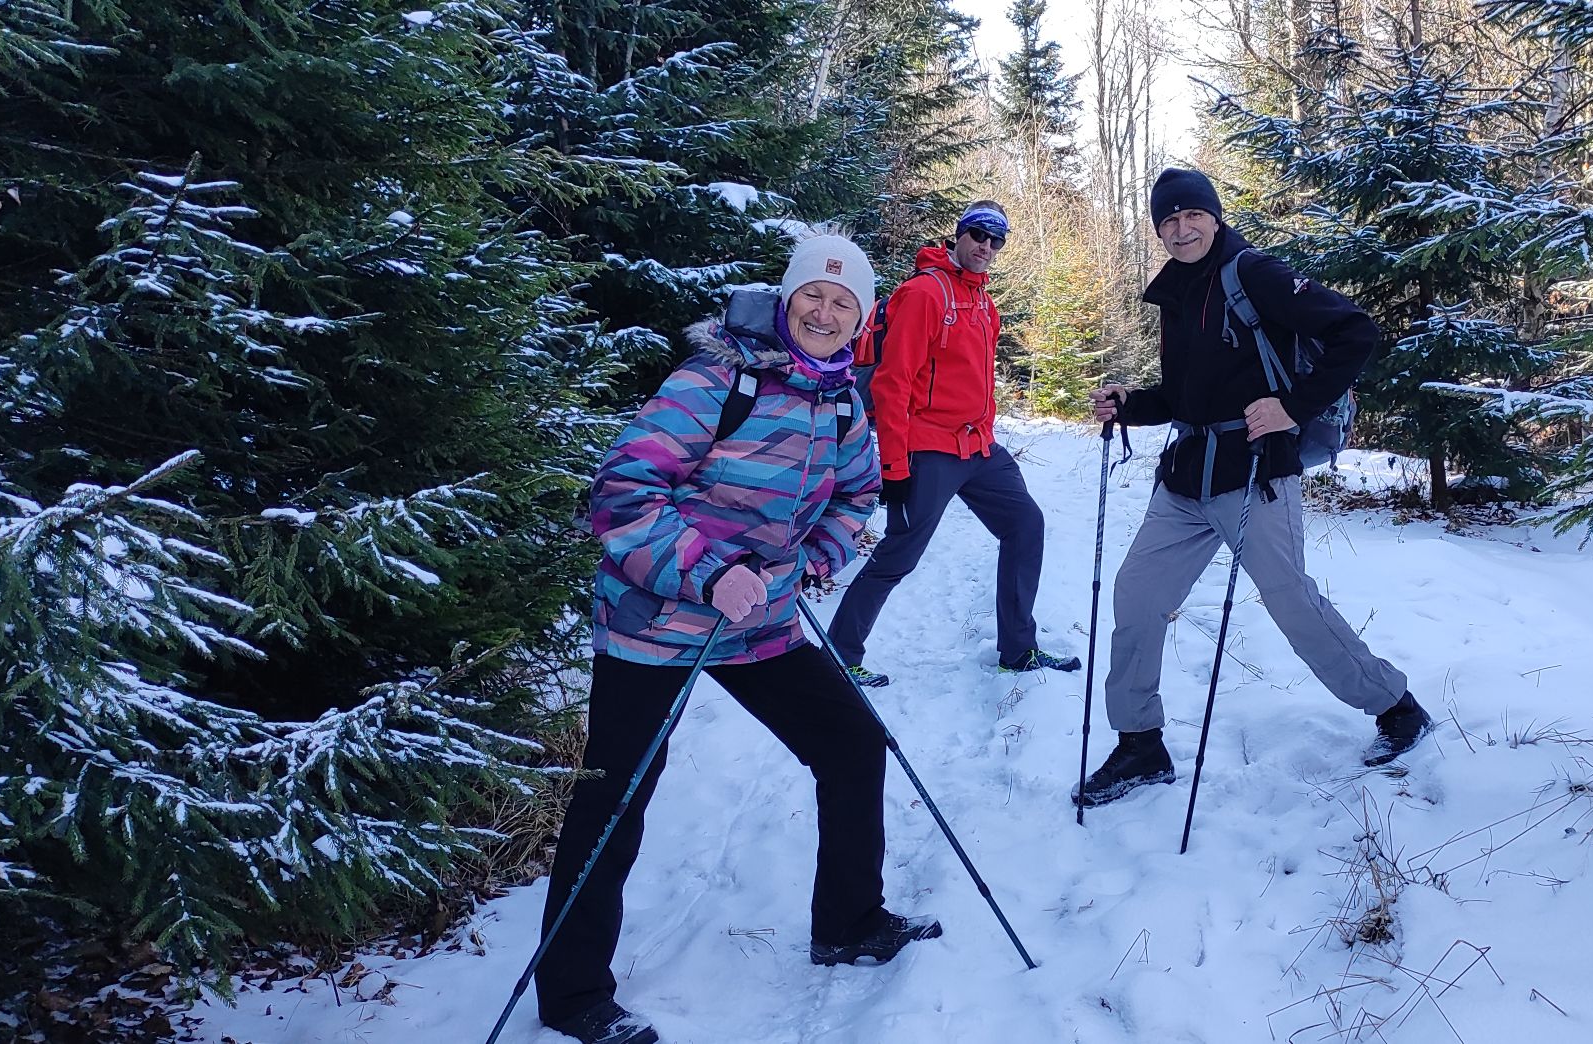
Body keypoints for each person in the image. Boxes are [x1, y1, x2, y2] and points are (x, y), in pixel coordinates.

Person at [537, 235, 940, 1044]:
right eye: (813, 295)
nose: (825, 312)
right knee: (617, 793)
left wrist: (816, 559)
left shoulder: (842, 400)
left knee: (852, 741)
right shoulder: (718, 379)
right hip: (655, 620)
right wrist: (711, 571)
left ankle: (850, 923)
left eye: (844, 303)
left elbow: (858, 493)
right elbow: (620, 492)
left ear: (861, 320)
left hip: (759, 623)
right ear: (787, 299)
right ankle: (572, 994)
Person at [1074, 169, 1432, 809]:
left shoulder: (1254, 273)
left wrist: (1292, 407)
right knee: (1137, 595)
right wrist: (1132, 404)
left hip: (1255, 474)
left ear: (1214, 218)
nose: (1182, 229)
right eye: (1168, 220)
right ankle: (1140, 743)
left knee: (1291, 600)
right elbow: (1186, 396)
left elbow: (1356, 331)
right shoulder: (1177, 291)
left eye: (1193, 215)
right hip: (1187, 477)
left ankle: (1396, 707)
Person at [826, 201, 1080, 687]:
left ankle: (1017, 650)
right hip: (929, 449)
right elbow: (892, 384)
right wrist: (894, 466)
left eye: (996, 240)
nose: (986, 246)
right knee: (899, 555)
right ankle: (838, 658)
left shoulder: (984, 303)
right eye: (978, 235)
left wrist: (986, 432)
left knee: (1025, 525)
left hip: (979, 450)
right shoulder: (925, 293)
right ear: (959, 235)